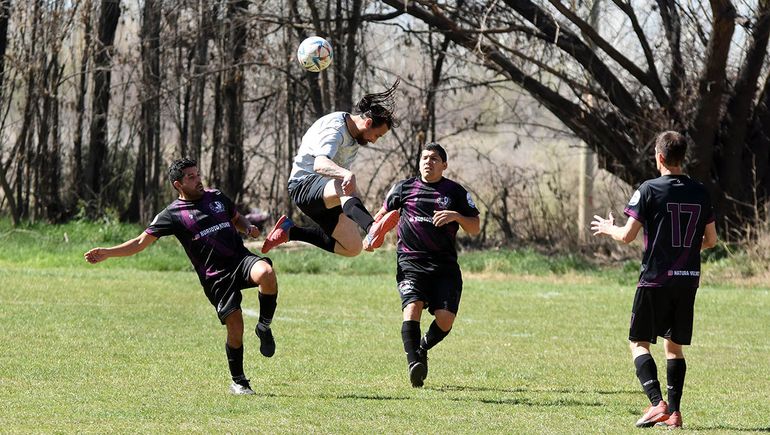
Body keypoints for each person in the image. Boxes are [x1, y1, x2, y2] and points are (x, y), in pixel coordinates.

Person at [84, 158, 279, 396]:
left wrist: (247, 227)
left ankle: (264, 326)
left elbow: (236, 217)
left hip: (240, 260)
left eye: (198, 174)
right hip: (216, 277)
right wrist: (108, 253)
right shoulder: (172, 214)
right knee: (235, 328)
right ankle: (239, 382)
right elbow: (139, 242)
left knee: (267, 273)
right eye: (191, 177)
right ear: (178, 184)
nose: (198, 180)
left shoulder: (216, 196)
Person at [590, 131, 718, 428]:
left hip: (655, 280)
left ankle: (656, 403)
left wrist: (609, 228)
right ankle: (674, 413)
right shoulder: (701, 192)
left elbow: (627, 235)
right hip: (687, 280)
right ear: (681, 158)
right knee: (674, 346)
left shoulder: (648, 189)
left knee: (638, 342)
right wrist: (684, 248)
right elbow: (711, 240)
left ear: (659, 157)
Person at [373, 143, 480, 387]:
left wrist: (456, 216)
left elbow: (475, 227)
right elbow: (381, 216)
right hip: (411, 262)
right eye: (424, 157)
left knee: (445, 320)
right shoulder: (403, 188)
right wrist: (373, 234)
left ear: (444, 165)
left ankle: (422, 347)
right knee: (412, 307)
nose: (428, 162)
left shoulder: (455, 192)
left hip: (444, 267)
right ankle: (414, 363)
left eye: (434, 158)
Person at [260, 78, 402, 256]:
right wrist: (345, 174)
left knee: (352, 247)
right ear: (367, 123)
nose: (374, 140)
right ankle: (371, 227)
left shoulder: (355, 136)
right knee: (342, 183)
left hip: (326, 193)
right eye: (377, 135)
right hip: (303, 186)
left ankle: (290, 231)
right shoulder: (335, 128)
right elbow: (320, 164)